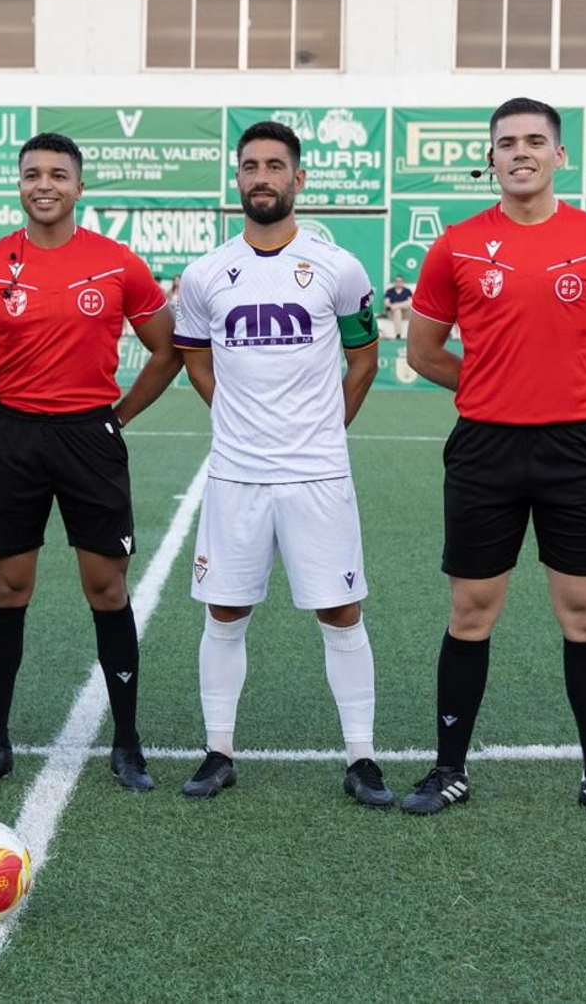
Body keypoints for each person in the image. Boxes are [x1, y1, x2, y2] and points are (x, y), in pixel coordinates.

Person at [404, 96, 586, 823]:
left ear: (559, 155)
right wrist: (492, 388)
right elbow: (422, 352)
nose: (520, 152)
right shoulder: (456, 245)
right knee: (470, 610)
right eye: (506, 142)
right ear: (489, 158)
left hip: (577, 450)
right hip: (485, 445)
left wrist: (581, 402)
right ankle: (448, 770)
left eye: (534, 141)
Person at [0, 132, 181, 792]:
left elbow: (168, 351)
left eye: (58, 174)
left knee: (107, 588)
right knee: (8, 587)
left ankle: (127, 745)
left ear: (79, 186)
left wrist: (118, 416)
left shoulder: (117, 263)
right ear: (19, 184)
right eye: (32, 174)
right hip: (14, 439)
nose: (44, 184)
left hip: (90, 436)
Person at [172, 121, 389, 806]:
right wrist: (233, 416)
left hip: (317, 473)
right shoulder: (206, 274)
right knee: (224, 611)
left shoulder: (339, 268)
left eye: (274, 165)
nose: (261, 176)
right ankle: (219, 751)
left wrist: (324, 428)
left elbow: (363, 360)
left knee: (341, 611)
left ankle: (361, 758)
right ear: (237, 178)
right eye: (250, 166)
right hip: (237, 473)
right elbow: (194, 358)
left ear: (298, 178)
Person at [383, 273, 413, 339]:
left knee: (405, 305)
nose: (398, 283)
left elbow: (410, 302)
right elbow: (386, 303)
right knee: (397, 311)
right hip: (392, 314)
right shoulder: (389, 291)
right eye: (397, 281)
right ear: (395, 282)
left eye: (400, 281)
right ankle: (398, 334)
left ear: (403, 282)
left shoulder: (407, 291)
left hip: (405, 313)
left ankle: (396, 307)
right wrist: (397, 307)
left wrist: (395, 306)